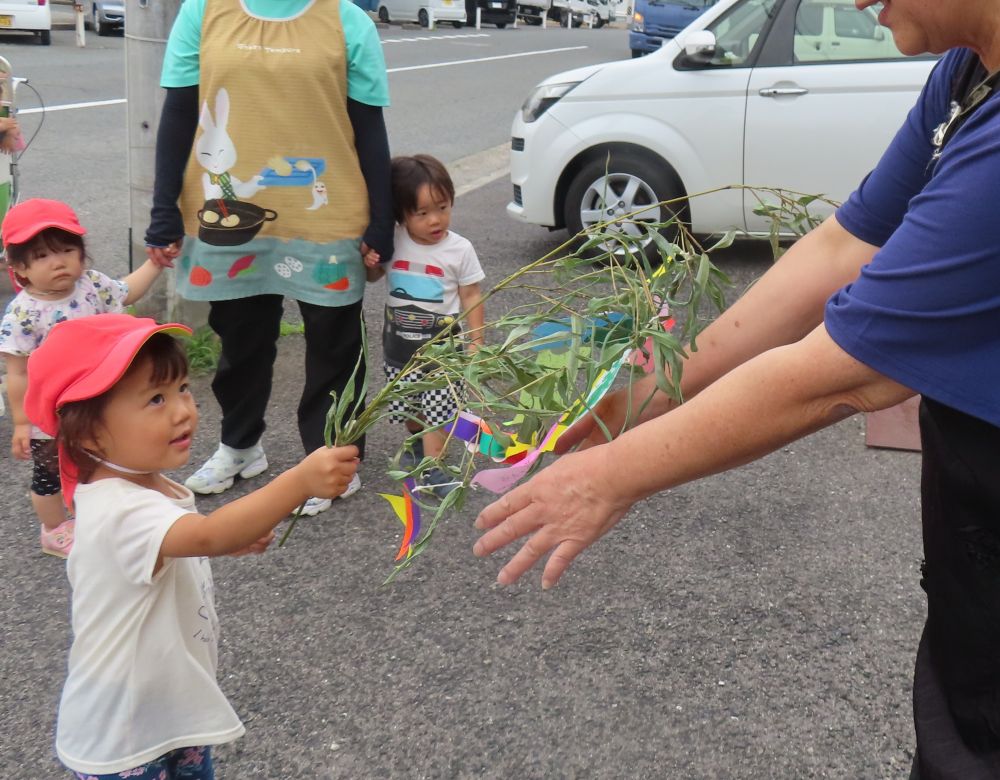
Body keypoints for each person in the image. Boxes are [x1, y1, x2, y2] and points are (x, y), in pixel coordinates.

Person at [473, 1, 1000, 775]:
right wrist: (651, 387)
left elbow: (839, 377)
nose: (853, 1)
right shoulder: (966, 70)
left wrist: (610, 477)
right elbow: (841, 246)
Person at [23, 313, 359, 779]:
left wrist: (225, 542)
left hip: (164, 715)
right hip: (124, 740)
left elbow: (188, 540)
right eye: (156, 398)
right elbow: (206, 532)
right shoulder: (117, 508)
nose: (182, 409)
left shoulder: (144, 485)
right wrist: (298, 482)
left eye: (182, 388)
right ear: (88, 432)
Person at [143, 0, 394, 516]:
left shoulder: (349, 22)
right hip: (228, 216)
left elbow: (369, 127)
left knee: (336, 346)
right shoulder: (202, 13)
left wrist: (381, 220)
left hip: (328, 217)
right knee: (240, 339)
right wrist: (163, 207)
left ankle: (334, 459)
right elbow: (179, 113)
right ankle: (240, 445)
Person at [0, 199, 163, 558]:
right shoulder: (23, 313)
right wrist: (22, 423)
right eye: (42, 256)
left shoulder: (91, 286)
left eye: (67, 250)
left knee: (102, 459)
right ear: (19, 267)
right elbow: (17, 371)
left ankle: (104, 514)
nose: (58, 262)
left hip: (98, 400)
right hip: (48, 415)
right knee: (49, 476)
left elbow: (127, 290)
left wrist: (155, 263)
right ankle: (55, 529)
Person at [364, 154, 485, 497]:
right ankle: (419, 447)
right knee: (412, 409)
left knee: (439, 410)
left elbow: (471, 294)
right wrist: (370, 262)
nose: (436, 220)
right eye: (423, 213)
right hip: (399, 349)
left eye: (443, 207)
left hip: (441, 354)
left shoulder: (459, 250)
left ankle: (436, 467)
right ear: (401, 214)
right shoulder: (395, 240)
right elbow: (374, 277)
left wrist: (476, 342)